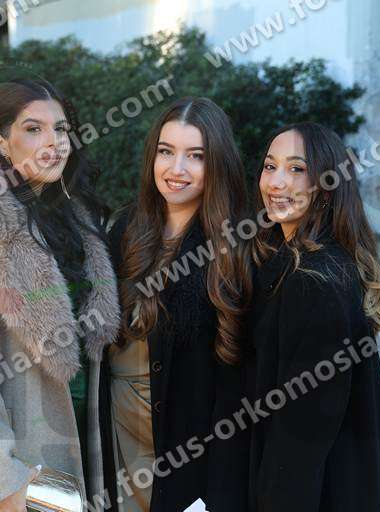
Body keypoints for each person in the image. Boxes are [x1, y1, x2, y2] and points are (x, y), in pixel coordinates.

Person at [0, 78, 120, 512]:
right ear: (1, 143)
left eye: (61, 129)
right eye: (34, 129)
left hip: (88, 441)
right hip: (16, 458)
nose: (54, 143)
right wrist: (6, 482)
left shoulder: (82, 224)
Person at [101, 97, 253, 511]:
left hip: (187, 448)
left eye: (196, 156)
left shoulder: (238, 246)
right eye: (166, 152)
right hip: (117, 432)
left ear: (217, 164)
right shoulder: (126, 229)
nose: (176, 169)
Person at [245, 122, 380, 511]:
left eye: (297, 169)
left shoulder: (312, 283)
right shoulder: (303, 260)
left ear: (327, 186)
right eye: (270, 166)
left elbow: (302, 432)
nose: (276, 182)